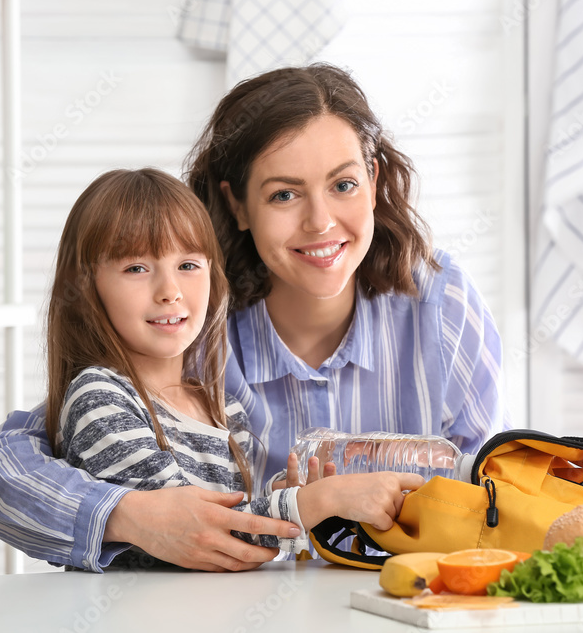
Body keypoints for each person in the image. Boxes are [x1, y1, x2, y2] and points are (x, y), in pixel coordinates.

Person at [0, 63, 507, 573]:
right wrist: (129, 514)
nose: (321, 223)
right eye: (284, 194)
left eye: (343, 185)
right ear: (238, 205)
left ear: (374, 178)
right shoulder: (189, 323)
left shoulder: (441, 306)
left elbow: (488, 489)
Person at [42, 167, 422, 569]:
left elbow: (242, 541)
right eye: (137, 268)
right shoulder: (100, 400)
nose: (169, 291)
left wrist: (284, 498)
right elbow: (198, 539)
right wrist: (314, 502)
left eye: (188, 265)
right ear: (87, 288)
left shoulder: (220, 404)